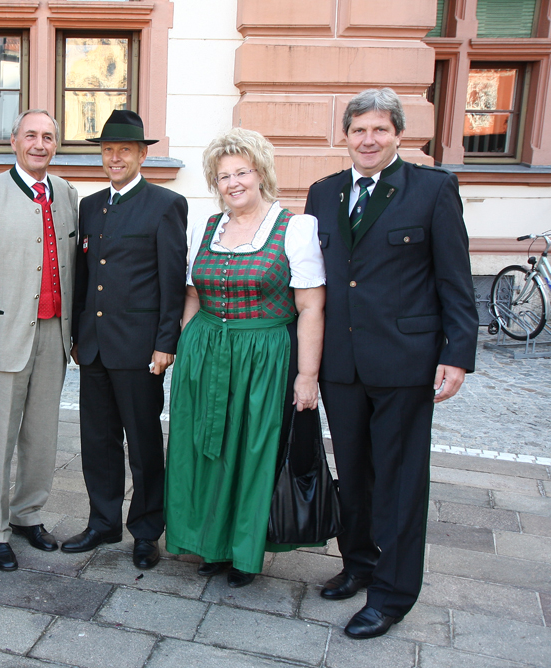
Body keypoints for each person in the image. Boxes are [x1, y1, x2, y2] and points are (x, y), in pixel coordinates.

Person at [305, 88, 477, 639]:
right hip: (341, 363)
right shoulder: (323, 193)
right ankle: (359, 563)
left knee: (400, 481)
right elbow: (315, 282)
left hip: (406, 359)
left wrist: (458, 352)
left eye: (380, 129)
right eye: (359, 130)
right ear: (346, 136)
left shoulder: (432, 189)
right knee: (352, 471)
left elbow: (454, 277)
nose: (368, 140)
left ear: (398, 135)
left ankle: (393, 594)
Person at [165, 128, 326, 588]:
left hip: (263, 355)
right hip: (205, 350)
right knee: (202, 449)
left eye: (242, 172)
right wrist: (183, 345)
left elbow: (311, 305)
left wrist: (307, 374)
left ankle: (242, 551)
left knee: (252, 450)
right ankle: (207, 542)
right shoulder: (207, 226)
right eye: (223, 176)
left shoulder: (294, 228)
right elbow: (193, 292)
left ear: (260, 174)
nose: (233, 183)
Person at [0, 109, 79, 571]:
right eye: (31, 135)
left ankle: (29, 515)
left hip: (53, 332)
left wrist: (75, 334)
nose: (40, 144)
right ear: (13, 141)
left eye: (48, 136)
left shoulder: (66, 193)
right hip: (3, 335)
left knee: (42, 437)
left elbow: (73, 268)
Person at [64, 110, 187, 569]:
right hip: (94, 344)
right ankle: (102, 522)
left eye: (125, 151)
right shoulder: (90, 206)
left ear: (142, 154)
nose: (115, 158)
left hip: (139, 348)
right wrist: (78, 332)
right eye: (108, 150)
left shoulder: (164, 205)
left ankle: (146, 530)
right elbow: (84, 274)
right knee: (97, 440)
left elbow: (172, 282)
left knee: (143, 442)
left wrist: (165, 342)